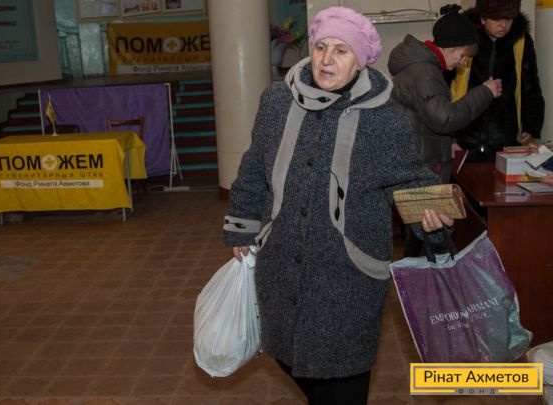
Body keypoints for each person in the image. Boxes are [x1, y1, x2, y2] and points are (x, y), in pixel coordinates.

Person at [222, 6, 453, 405]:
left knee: (343, 377)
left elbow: (411, 180)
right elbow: (255, 164)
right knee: (290, 355)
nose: (327, 59)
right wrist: (242, 224)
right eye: (321, 47)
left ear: (360, 61)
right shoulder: (277, 102)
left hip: (348, 276)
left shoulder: (384, 119)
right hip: (282, 265)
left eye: (341, 50)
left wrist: (433, 220)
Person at [387, 4, 501, 257]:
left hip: (416, 158)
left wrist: (446, 142)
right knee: (434, 234)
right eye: (462, 54)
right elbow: (444, 118)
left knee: (423, 234)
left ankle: (418, 278)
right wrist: (484, 93)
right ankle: (436, 281)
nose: (462, 62)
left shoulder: (421, 67)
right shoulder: (425, 71)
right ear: (451, 46)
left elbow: (425, 118)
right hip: (421, 165)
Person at [453, 0, 545, 162]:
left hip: (505, 138)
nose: (503, 25)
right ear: (483, 18)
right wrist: (447, 138)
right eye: (497, 19)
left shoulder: (521, 41)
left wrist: (531, 129)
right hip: (464, 137)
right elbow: (443, 87)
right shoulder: (463, 38)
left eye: (508, 18)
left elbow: (530, 88)